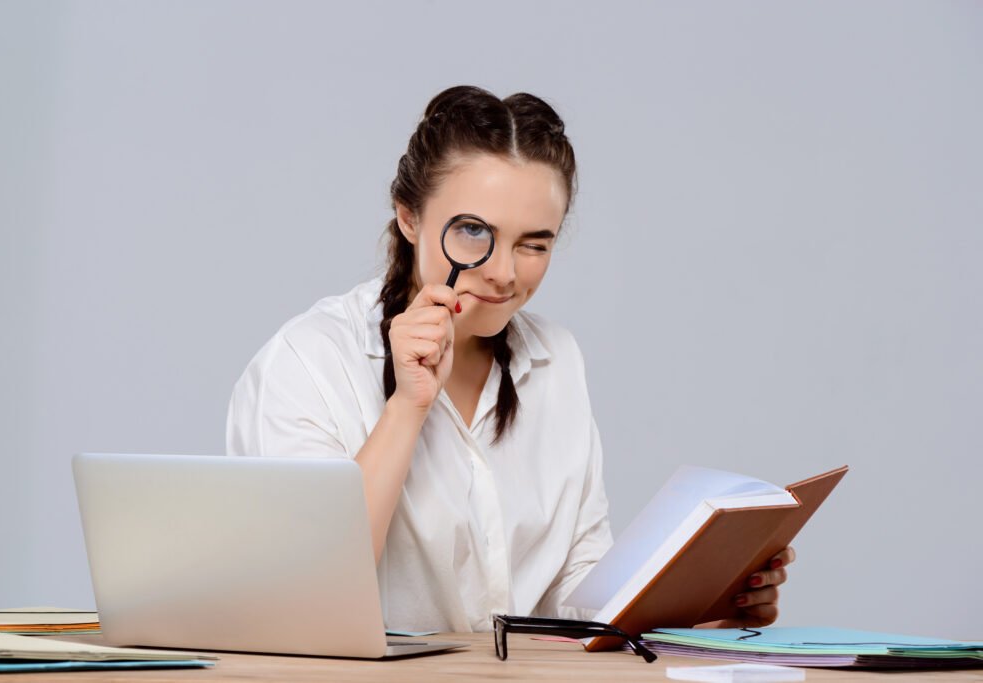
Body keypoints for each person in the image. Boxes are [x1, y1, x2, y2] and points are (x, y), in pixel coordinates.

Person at [226, 85, 794, 633]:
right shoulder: (309, 361)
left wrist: (704, 613)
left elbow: (577, 594)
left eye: (534, 243)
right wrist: (406, 407)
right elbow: (307, 593)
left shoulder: (556, 360)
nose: (503, 271)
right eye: (474, 231)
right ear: (408, 217)